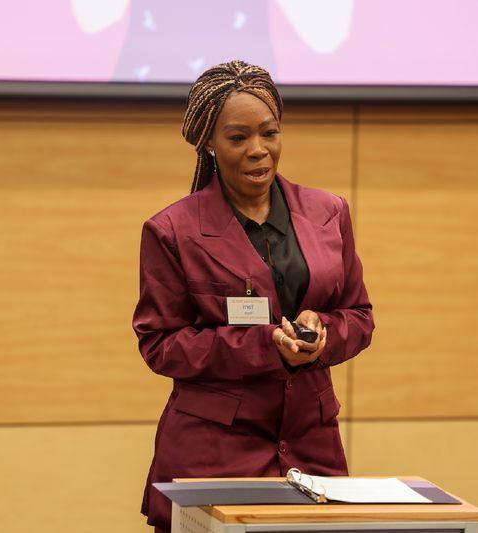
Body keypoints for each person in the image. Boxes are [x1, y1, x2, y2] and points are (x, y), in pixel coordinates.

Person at [132, 60, 374, 532]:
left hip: (311, 448)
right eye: (238, 137)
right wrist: (264, 346)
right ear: (208, 143)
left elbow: (359, 315)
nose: (259, 150)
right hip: (214, 452)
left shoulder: (328, 212)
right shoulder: (171, 231)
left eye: (270, 132)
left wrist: (324, 336)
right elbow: (160, 345)